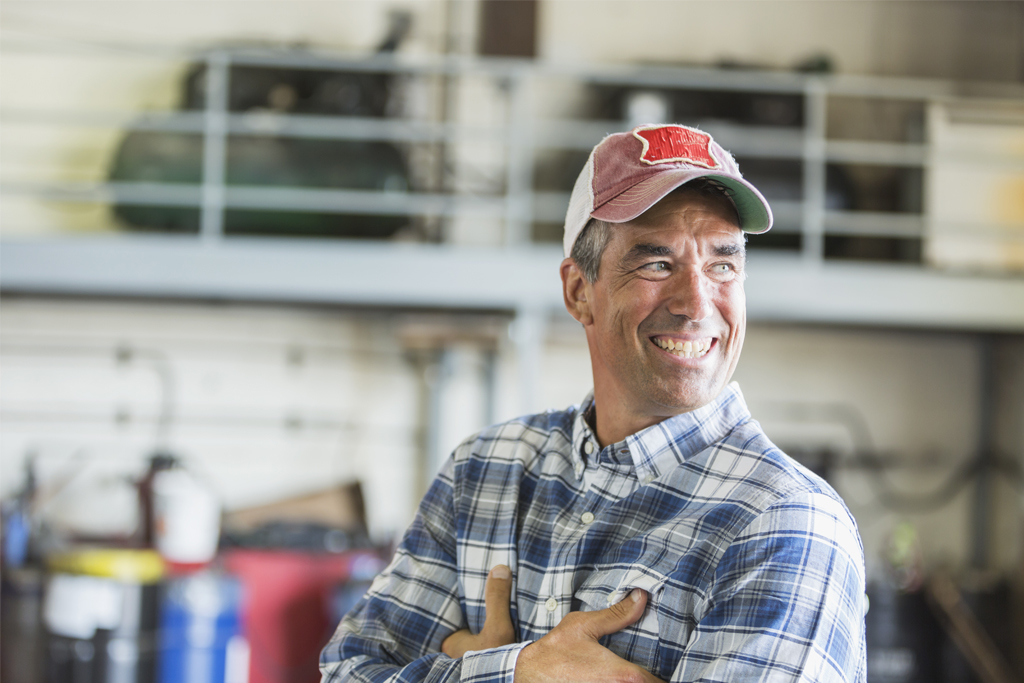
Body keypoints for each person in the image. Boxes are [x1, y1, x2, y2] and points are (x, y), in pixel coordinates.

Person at [321, 124, 867, 683]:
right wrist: (519, 672)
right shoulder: (486, 470)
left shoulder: (785, 522)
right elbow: (346, 674)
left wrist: (473, 668)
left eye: (722, 265)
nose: (696, 302)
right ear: (579, 291)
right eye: (656, 263)